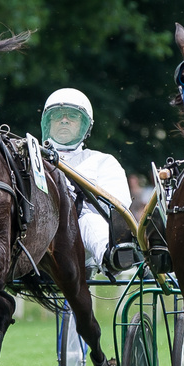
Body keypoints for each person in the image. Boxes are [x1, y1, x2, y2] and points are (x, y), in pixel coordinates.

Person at [41, 89, 131, 271]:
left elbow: (118, 210)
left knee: (89, 219)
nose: (64, 120)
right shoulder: (30, 156)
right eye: (57, 116)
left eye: (72, 116)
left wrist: (80, 198)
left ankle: (111, 257)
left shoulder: (102, 162)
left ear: (84, 125)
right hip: (36, 230)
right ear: (48, 123)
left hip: (79, 238)